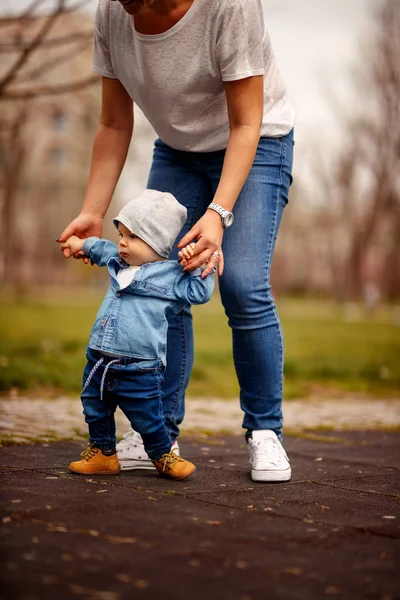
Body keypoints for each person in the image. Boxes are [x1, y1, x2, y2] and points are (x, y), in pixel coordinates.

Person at [58, 0, 295, 483]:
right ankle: (158, 436)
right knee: (156, 281)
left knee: (244, 286)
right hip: (179, 151)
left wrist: (218, 214)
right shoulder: (111, 14)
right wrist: (93, 211)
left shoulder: (229, 7)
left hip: (256, 140)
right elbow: (114, 122)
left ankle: (264, 431)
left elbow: (245, 123)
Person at [61, 189, 215, 480]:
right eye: (121, 234)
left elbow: (200, 292)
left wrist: (201, 263)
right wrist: (80, 243)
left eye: (132, 237)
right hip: (98, 360)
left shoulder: (172, 276)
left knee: (149, 417)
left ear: (157, 242)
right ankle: (103, 454)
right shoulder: (118, 261)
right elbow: (100, 248)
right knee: (94, 408)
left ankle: (161, 455)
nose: (122, 243)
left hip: (140, 367)